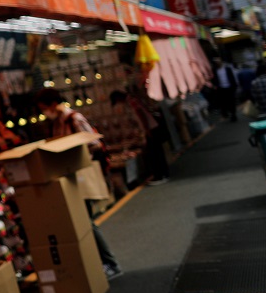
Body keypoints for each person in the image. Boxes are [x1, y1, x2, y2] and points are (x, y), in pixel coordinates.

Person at [35, 89, 123, 280]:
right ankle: (100, 263)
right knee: (82, 222)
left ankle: (111, 263)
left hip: (81, 176)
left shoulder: (73, 118)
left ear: (52, 104)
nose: (44, 112)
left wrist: (73, 151)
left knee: (86, 221)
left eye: (44, 108)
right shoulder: (56, 123)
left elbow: (95, 143)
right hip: (70, 177)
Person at [111, 90, 170, 185]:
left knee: (154, 153)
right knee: (157, 152)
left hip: (150, 128)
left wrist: (146, 130)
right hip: (152, 127)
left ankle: (160, 175)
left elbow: (141, 115)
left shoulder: (131, 101)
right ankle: (163, 174)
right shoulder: (134, 98)